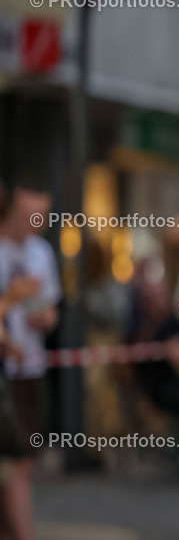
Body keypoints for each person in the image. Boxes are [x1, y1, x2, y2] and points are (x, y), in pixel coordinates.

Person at [0, 185, 62, 540]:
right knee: (16, 463)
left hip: (31, 367)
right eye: (27, 216)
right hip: (7, 369)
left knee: (21, 461)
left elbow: (49, 308)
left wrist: (45, 318)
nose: (32, 225)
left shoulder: (41, 253)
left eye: (40, 218)